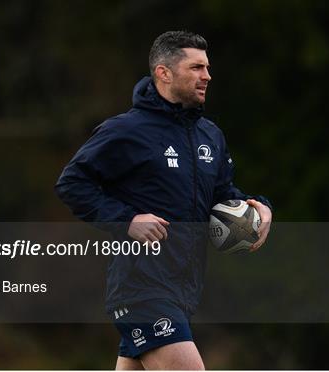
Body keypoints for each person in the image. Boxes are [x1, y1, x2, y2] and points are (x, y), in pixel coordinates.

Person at [55, 31, 272, 370]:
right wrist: (127, 221)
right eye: (196, 67)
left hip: (182, 289)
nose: (207, 76)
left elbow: (223, 194)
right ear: (164, 73)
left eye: (208, 67)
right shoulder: (127, 131)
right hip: (142, 287)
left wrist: (258, 207)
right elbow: (72, 183)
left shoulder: (209, 135)